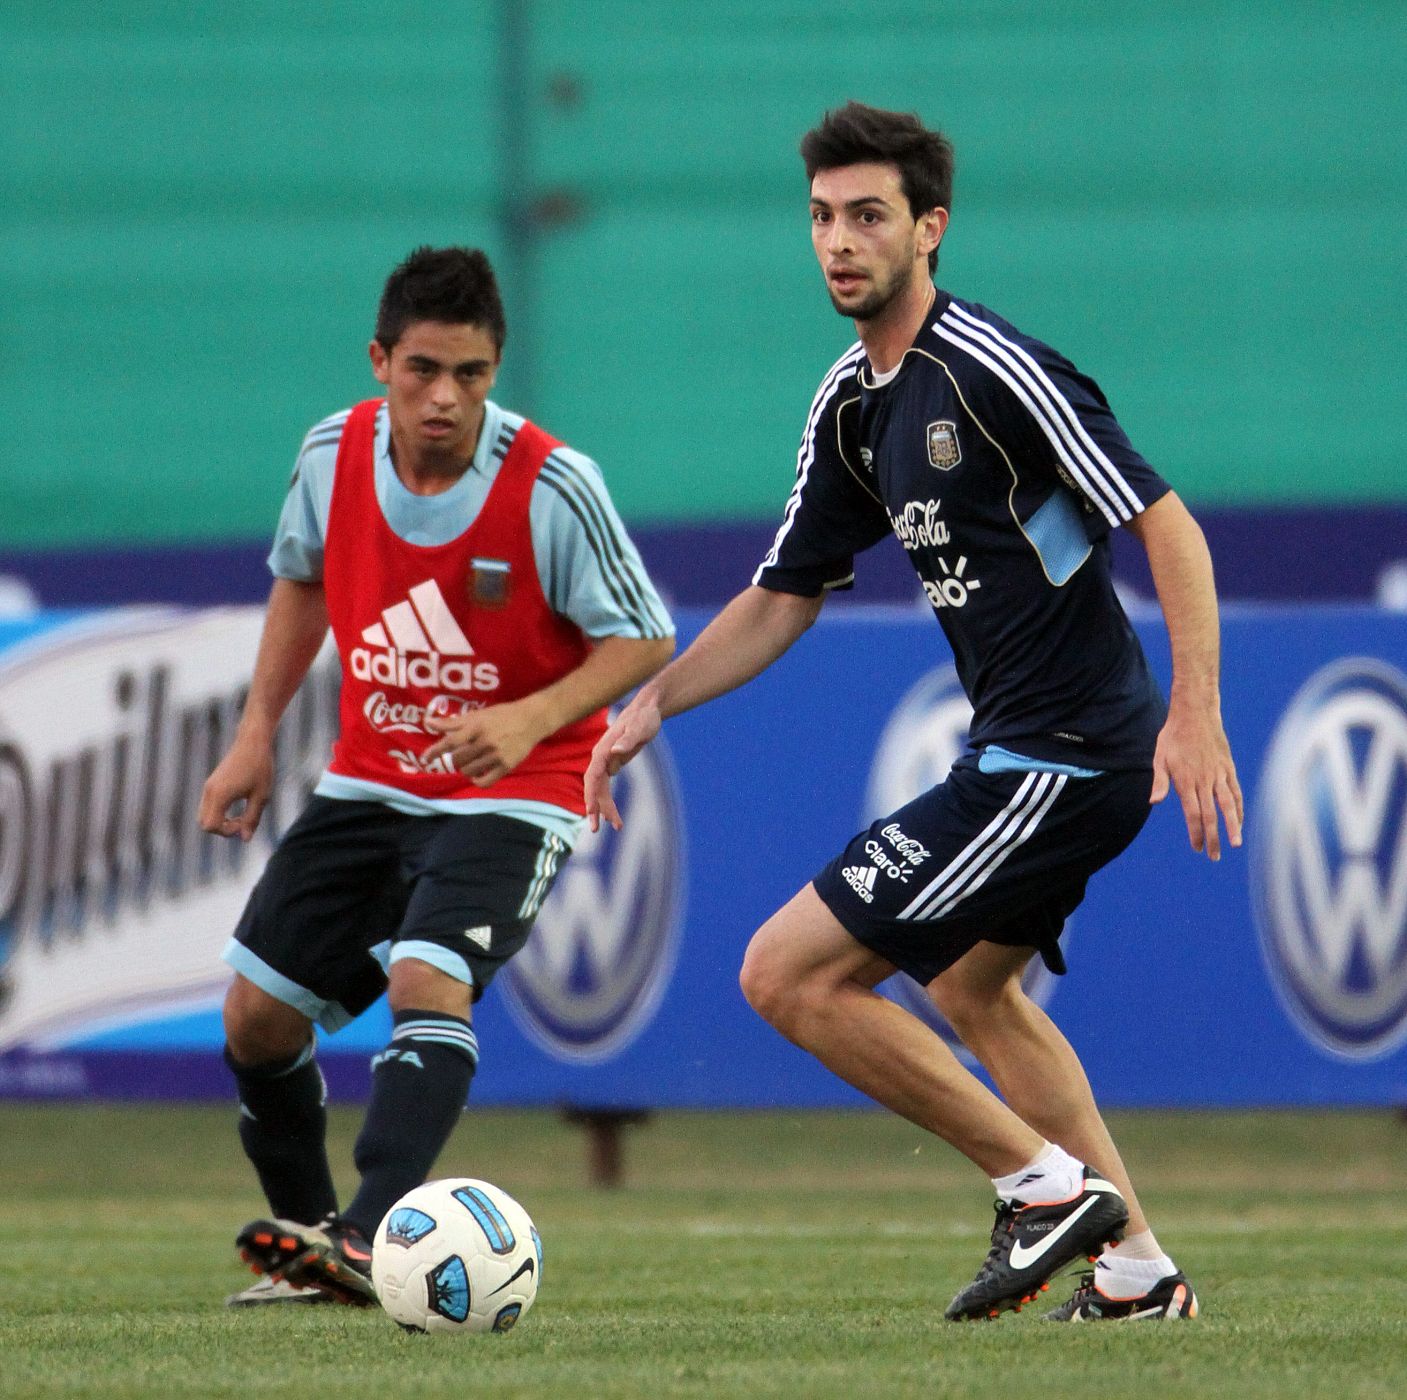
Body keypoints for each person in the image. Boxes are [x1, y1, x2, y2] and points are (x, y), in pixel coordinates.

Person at [586, 102, 1240, 1324]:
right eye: (824, 218)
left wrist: (1195, 714)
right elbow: (784, 596)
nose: (840, 240)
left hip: (1066, 750)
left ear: (931, 228)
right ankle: (1139, 1267)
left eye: (870, 215)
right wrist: (651, 703)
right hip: (1028, 748)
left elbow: (1171, 525)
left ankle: (1044, 1189)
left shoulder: (990, 369)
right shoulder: (854, 402)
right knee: (971, 993)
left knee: (786, 975)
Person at [201, 246, 674, 1307]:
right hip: (370, 780)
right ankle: (318, 1244)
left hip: (516, 787)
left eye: (470, 372)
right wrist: (255, 732)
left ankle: (371, 1232)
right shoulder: (331, 454)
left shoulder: (554, 482)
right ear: (379, 361)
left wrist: (532, 716)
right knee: (255, 1019)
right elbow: (300, 579)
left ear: (497, 367)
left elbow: (644, 634)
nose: (445, 397)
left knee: (425, 978)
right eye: (423, 369)